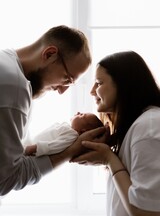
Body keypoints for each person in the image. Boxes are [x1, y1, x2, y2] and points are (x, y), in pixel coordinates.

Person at [0, 25, 106, 196]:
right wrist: (71, 151)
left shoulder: (6, 60)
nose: (62, 90)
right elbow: (4, 180)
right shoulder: (14, 87)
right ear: (49, 54)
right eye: (67, 79)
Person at [71, 51, 160, 215]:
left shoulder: (149, 126)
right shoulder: (138, 127)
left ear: (124, 85)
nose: (92, 91)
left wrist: (109, 159)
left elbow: (145, 211)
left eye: (99, 83)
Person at [24, 112, 103, 156]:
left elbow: (56, 146)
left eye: (81, 115)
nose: (78, 112)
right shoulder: (69, 130)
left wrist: (35, 148)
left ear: (83, 131)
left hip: (32, 148)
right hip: (30, 142)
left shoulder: (72, 135)